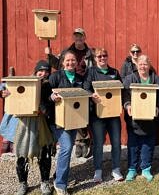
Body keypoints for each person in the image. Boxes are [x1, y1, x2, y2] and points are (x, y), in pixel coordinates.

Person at [2, 60, 54, 195]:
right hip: (24, 123)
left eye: (46, 71)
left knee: (44, 153)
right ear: (36, 71)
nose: (43, 74)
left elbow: (50, 101)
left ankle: (44, 182)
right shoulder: (26, 81)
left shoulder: (48, 85)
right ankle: (22, 183)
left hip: (41, 123)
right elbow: (4, 85)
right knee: (22, 153)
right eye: (41, 71)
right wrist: (3, 92)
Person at [45, 27, 95, 158]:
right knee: (71, 111)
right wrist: (49, 56)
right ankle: (79, 142)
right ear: (74, 38)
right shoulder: (67, 52)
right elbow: (58, 65)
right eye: (76, 36)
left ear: (84, 37)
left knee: (82, 111)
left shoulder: (90, 53)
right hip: (67, 82)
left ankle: (84, 141)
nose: (78, 39)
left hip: (83, 83)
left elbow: (94, 69)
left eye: (81, 36)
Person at [122, 54, 159, 182]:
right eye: (140, 64)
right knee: (133, 145)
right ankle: (132, 169)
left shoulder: (157, 80)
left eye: (145, 64)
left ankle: (146, 168)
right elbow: (125, 94)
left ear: (149, 65)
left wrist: (158, 107)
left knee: (148, 144)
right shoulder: (130, 79)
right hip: (134, 120)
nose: (143, 66)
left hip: (150, 120)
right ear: (137, 65)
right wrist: (127, 105)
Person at [83, 48, 123, 182]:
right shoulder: (91, 72)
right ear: (95, 58)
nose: (102, 58)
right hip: (98, 115)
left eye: (104, 55)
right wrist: (91, 95)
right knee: (99, 143)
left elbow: (120, 90)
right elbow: (85, 87)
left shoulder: (114, 72)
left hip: (113, 115)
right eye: (99, 56)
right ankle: (98, 170)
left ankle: (116, 169)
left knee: (116, 142)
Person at [49, 50, 84, 195]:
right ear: (62, 62)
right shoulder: (55, 76)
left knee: (67, 150)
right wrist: (52, 97)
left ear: (76, 63)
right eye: (68, 60)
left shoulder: (79, 78)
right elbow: (45, 95)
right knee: (67, 147)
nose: (70, 63)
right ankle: (60, 184)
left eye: (73, 60)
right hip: (58, 120)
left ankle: (58, 176)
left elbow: (84, 94)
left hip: (73, 119)